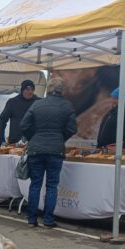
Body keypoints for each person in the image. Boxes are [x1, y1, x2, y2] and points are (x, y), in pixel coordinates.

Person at [20, 77, 77, 228]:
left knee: (35, 184)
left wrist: (34, 137)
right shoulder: (67, 105)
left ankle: (32, 219)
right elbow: (72, 128)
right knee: (52, 186)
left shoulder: (37, 104)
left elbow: (24, 124)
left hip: (36, 149)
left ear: (48, 89)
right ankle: (48, 220)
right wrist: (60, 137)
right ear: (61, 90)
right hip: (55, 151)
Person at [0, 79, 38, 145]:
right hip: (15, 142)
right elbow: (2, 120)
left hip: (34, 142)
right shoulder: (12, 102)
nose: (30, 92)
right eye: (27, 89)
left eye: (32, 89)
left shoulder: (38, 102)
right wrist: (1, 139)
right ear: (22, 90)